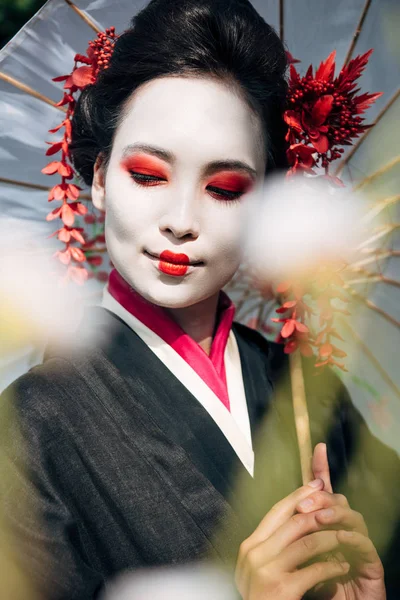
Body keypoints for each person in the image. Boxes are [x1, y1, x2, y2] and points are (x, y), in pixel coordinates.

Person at [0, 0, 399, 598]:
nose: (182, 221)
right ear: (101, 178)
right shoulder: (29, 429)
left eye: (224, 187)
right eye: (148, 174)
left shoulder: (307, 390)